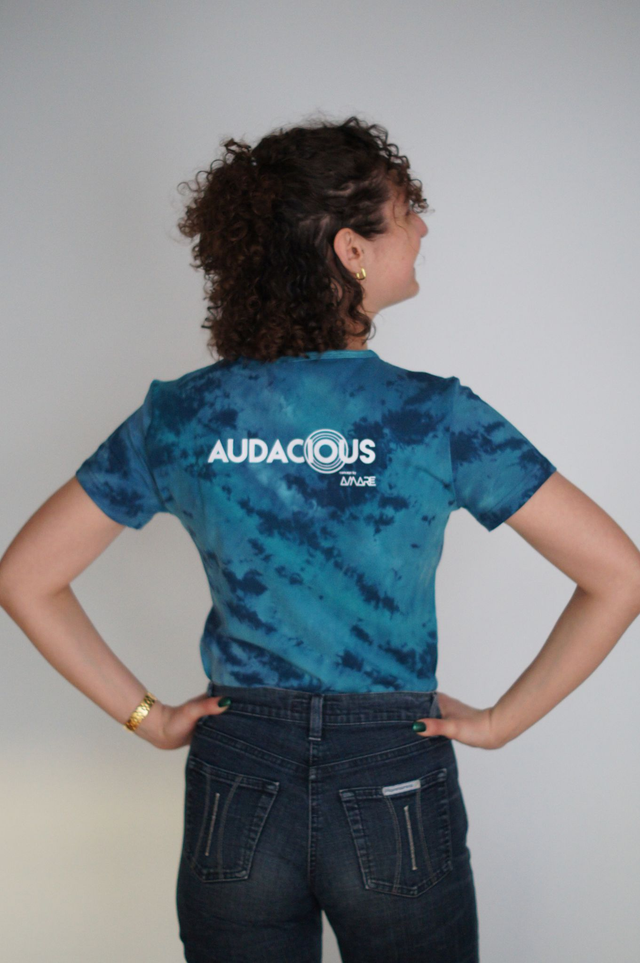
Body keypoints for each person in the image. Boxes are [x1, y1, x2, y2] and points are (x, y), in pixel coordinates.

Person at [1, 115, 640, 963]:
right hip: (393, 771)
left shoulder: (186, 415)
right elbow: (619, 574)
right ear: (352, 250)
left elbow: (25, 577)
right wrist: (498, 723)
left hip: (239, 773)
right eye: (405, 212)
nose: (422, 227)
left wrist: (150, 719)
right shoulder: (433, 415)